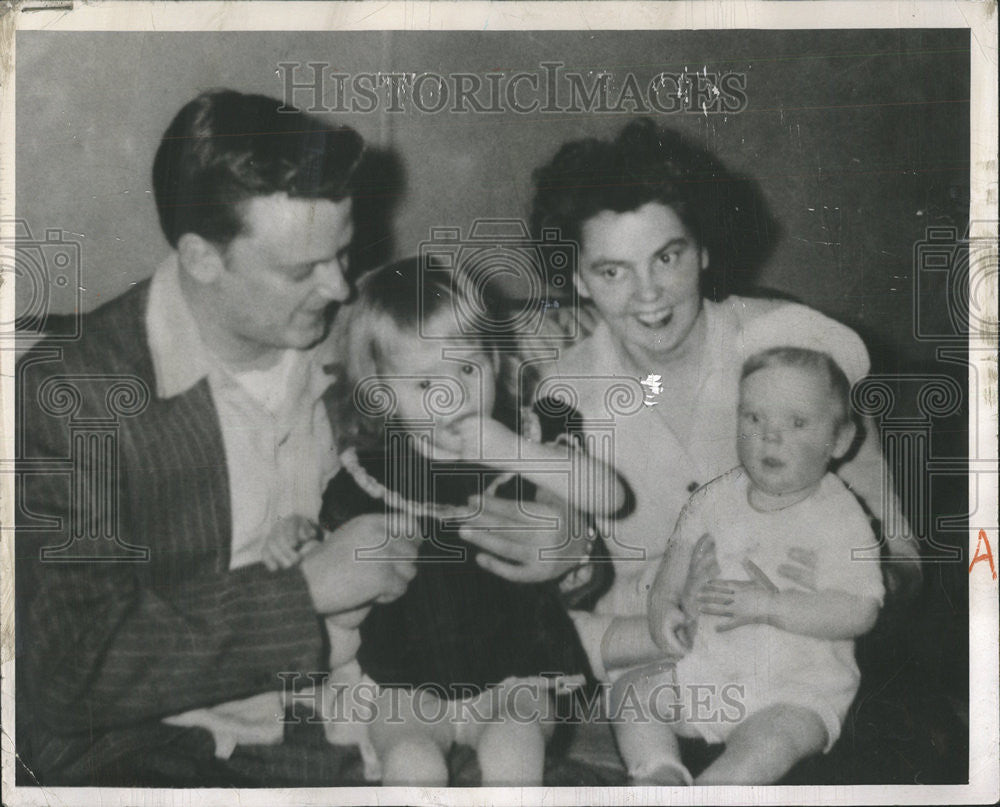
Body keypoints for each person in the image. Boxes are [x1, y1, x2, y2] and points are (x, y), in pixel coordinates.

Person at [14, 90, 586, 788]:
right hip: (172, 751)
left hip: (400, 716)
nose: (339, 285)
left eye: (341, 253)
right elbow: (72, 670)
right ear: (202, 258)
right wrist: (302, 591)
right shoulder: (80, 387)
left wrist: (573, 547)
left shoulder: (369, 337)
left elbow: (510, 464)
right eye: (301, 270)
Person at [528, 118, 921, 776]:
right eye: (612, 270)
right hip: (645, 681)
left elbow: (902, 560)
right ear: (579, 280)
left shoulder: (795, 350)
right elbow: (547, 603)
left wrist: (830, 587)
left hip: (797, 670)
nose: (648, 292)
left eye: (668, 256)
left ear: (703, 250)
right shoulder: (559, 393)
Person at [260, 257, 623, 785]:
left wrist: (512, 451)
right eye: (426, 384)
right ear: (380, 394)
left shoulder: (530, 434)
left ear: (495, 360)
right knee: (411, 764)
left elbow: (610, 496)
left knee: (514, 752)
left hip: (515, 673)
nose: (453, 395)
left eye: (468, 369)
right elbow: (340, 615)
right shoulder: (364, 479)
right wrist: (302, 550)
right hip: (406, 685)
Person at [609, 308, 885, 785]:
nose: (769, 436)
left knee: (767, 746)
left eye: (797, 423)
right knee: (628, 690)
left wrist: (772, 605)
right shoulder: (716, 495)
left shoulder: (838, 513)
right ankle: (658, 773)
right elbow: (678, 555)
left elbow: (861, 610)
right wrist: (661, 605)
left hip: (795, 692)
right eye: (753, 416)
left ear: (839, 439)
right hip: (708, 675)